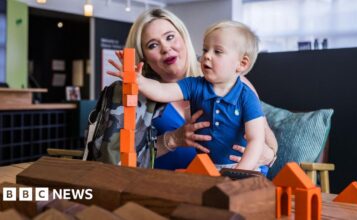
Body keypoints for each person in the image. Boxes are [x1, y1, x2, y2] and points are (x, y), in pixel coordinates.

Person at [107, 8, 278, 171]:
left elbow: (268, 144)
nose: (166, 48)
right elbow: (120, 162)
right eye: (153, 45)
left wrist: (264, 156)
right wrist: (172, 139)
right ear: (143, 56)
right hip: (175, 183)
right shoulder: (142, 94)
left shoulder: (239, 86)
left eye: (170, 37)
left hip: (236, 174)